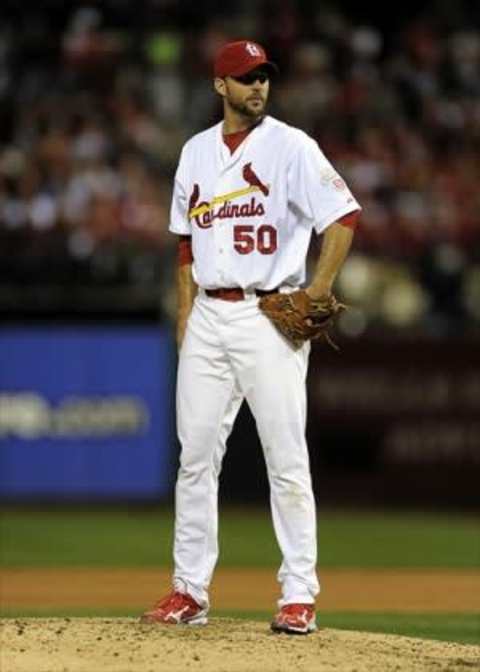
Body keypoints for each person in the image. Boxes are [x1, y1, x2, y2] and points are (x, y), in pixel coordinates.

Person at [141, 40, 361, 634]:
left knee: (285, 458)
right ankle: (189, 590)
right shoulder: (194, 152)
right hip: (210, 314)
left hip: (270, 312)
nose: (257, 87)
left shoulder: (291, 146)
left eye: (263, 77)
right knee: (195, 460)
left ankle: (298, 594)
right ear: (220, 87)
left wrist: (317, 290)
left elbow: (342, 216)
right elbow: (185, 241)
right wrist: (187, 314)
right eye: (245, 78)